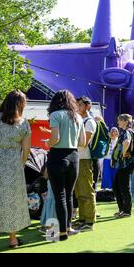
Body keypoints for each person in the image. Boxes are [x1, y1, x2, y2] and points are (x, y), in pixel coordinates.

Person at [0, 90, 32, 250]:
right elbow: (26, 150)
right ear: (21, 105)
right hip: (13, 166)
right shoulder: (23, 123)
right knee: (12, 201)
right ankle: (13, 239)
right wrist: (21, 165)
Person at [44, 90, 86, 241]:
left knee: (59, 196)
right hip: (74, 157)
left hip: (57, 156)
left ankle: (61, 233)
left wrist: (46, 143)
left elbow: (55, 138)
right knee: (69, 195)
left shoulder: (55, 115)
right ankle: (68, 228)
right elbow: (82, 142)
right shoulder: (78, 117)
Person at [73, 96, 97, 231]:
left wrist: (67, 142)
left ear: (88, 106)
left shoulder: (89, 122)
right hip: (77, 158)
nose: (77, 107)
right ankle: (82, 218)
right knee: (79, 191)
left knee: (86, 190)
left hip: (84, 159)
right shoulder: (80, 120)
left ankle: (89, 221)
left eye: (80, 105)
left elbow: (84, 142)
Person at [112, 114, 134, 218]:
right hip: (124, 164)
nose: (118, 123)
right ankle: (122, 209)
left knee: (124, 187)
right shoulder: (127, 131)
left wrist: (124, 153)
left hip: (125, 164)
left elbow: (127, 142)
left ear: (125, 121)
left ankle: (126, 211)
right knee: (117, 186)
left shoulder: (126, 132)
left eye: (119, 120)